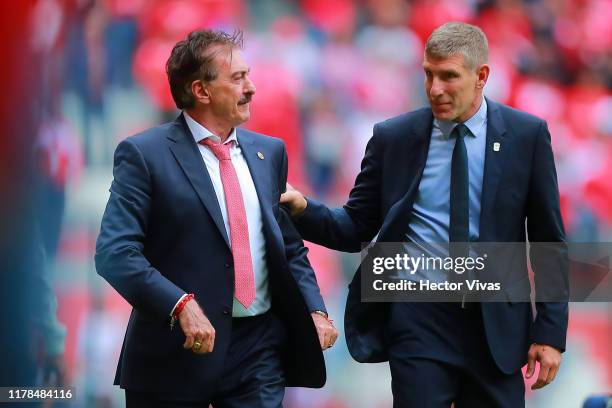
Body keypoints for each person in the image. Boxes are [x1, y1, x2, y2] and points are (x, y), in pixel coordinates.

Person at [281, 22, 568, 407]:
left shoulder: (526, 135)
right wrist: (303, 209)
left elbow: (549, 239)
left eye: (449, 76)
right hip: (419, 319)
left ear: (482, 76)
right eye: (429, 75)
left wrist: (549, 332)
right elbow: (356, 228)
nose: (435, 89)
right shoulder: (393, 138)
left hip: (496, 324)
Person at [95, 29, 338, 407]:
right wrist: (180, 305)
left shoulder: (269, 152)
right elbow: (115, 252)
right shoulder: (144, 154)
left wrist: (315, 308)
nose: (252, 88)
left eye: (248, 75)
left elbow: (288, 247)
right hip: (176, 351)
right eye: (238, 78)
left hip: (258, 351)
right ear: (201, 91)